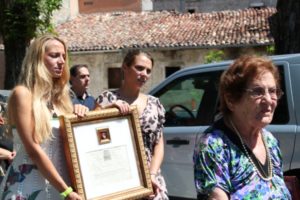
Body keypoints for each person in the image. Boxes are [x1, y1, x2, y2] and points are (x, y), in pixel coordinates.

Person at [0, 34, 88, 199]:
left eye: (63, 56)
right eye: (54, 55)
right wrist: (67, 191)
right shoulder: (23, 94)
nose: (61, 61)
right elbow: (33, 150)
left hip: (60, 189)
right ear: (37, 60)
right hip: (27, 189)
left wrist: (112, 109)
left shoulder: (63, 100)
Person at [193, 55, 291, 199]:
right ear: (231, 99)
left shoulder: (270, 141)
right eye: (257, 91)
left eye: (272, 91)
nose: (269, 100)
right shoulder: (214, 146)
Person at [96, 50, 168, 200]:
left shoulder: (155, 103)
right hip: (117, 180)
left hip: (151, 180)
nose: (144, 74)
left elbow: (158, 145)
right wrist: (110, 109)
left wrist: (152, 175)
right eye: (139, 68)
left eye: (148, 71)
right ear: (125, 67)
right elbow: (91, 137)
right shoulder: (106, 99)